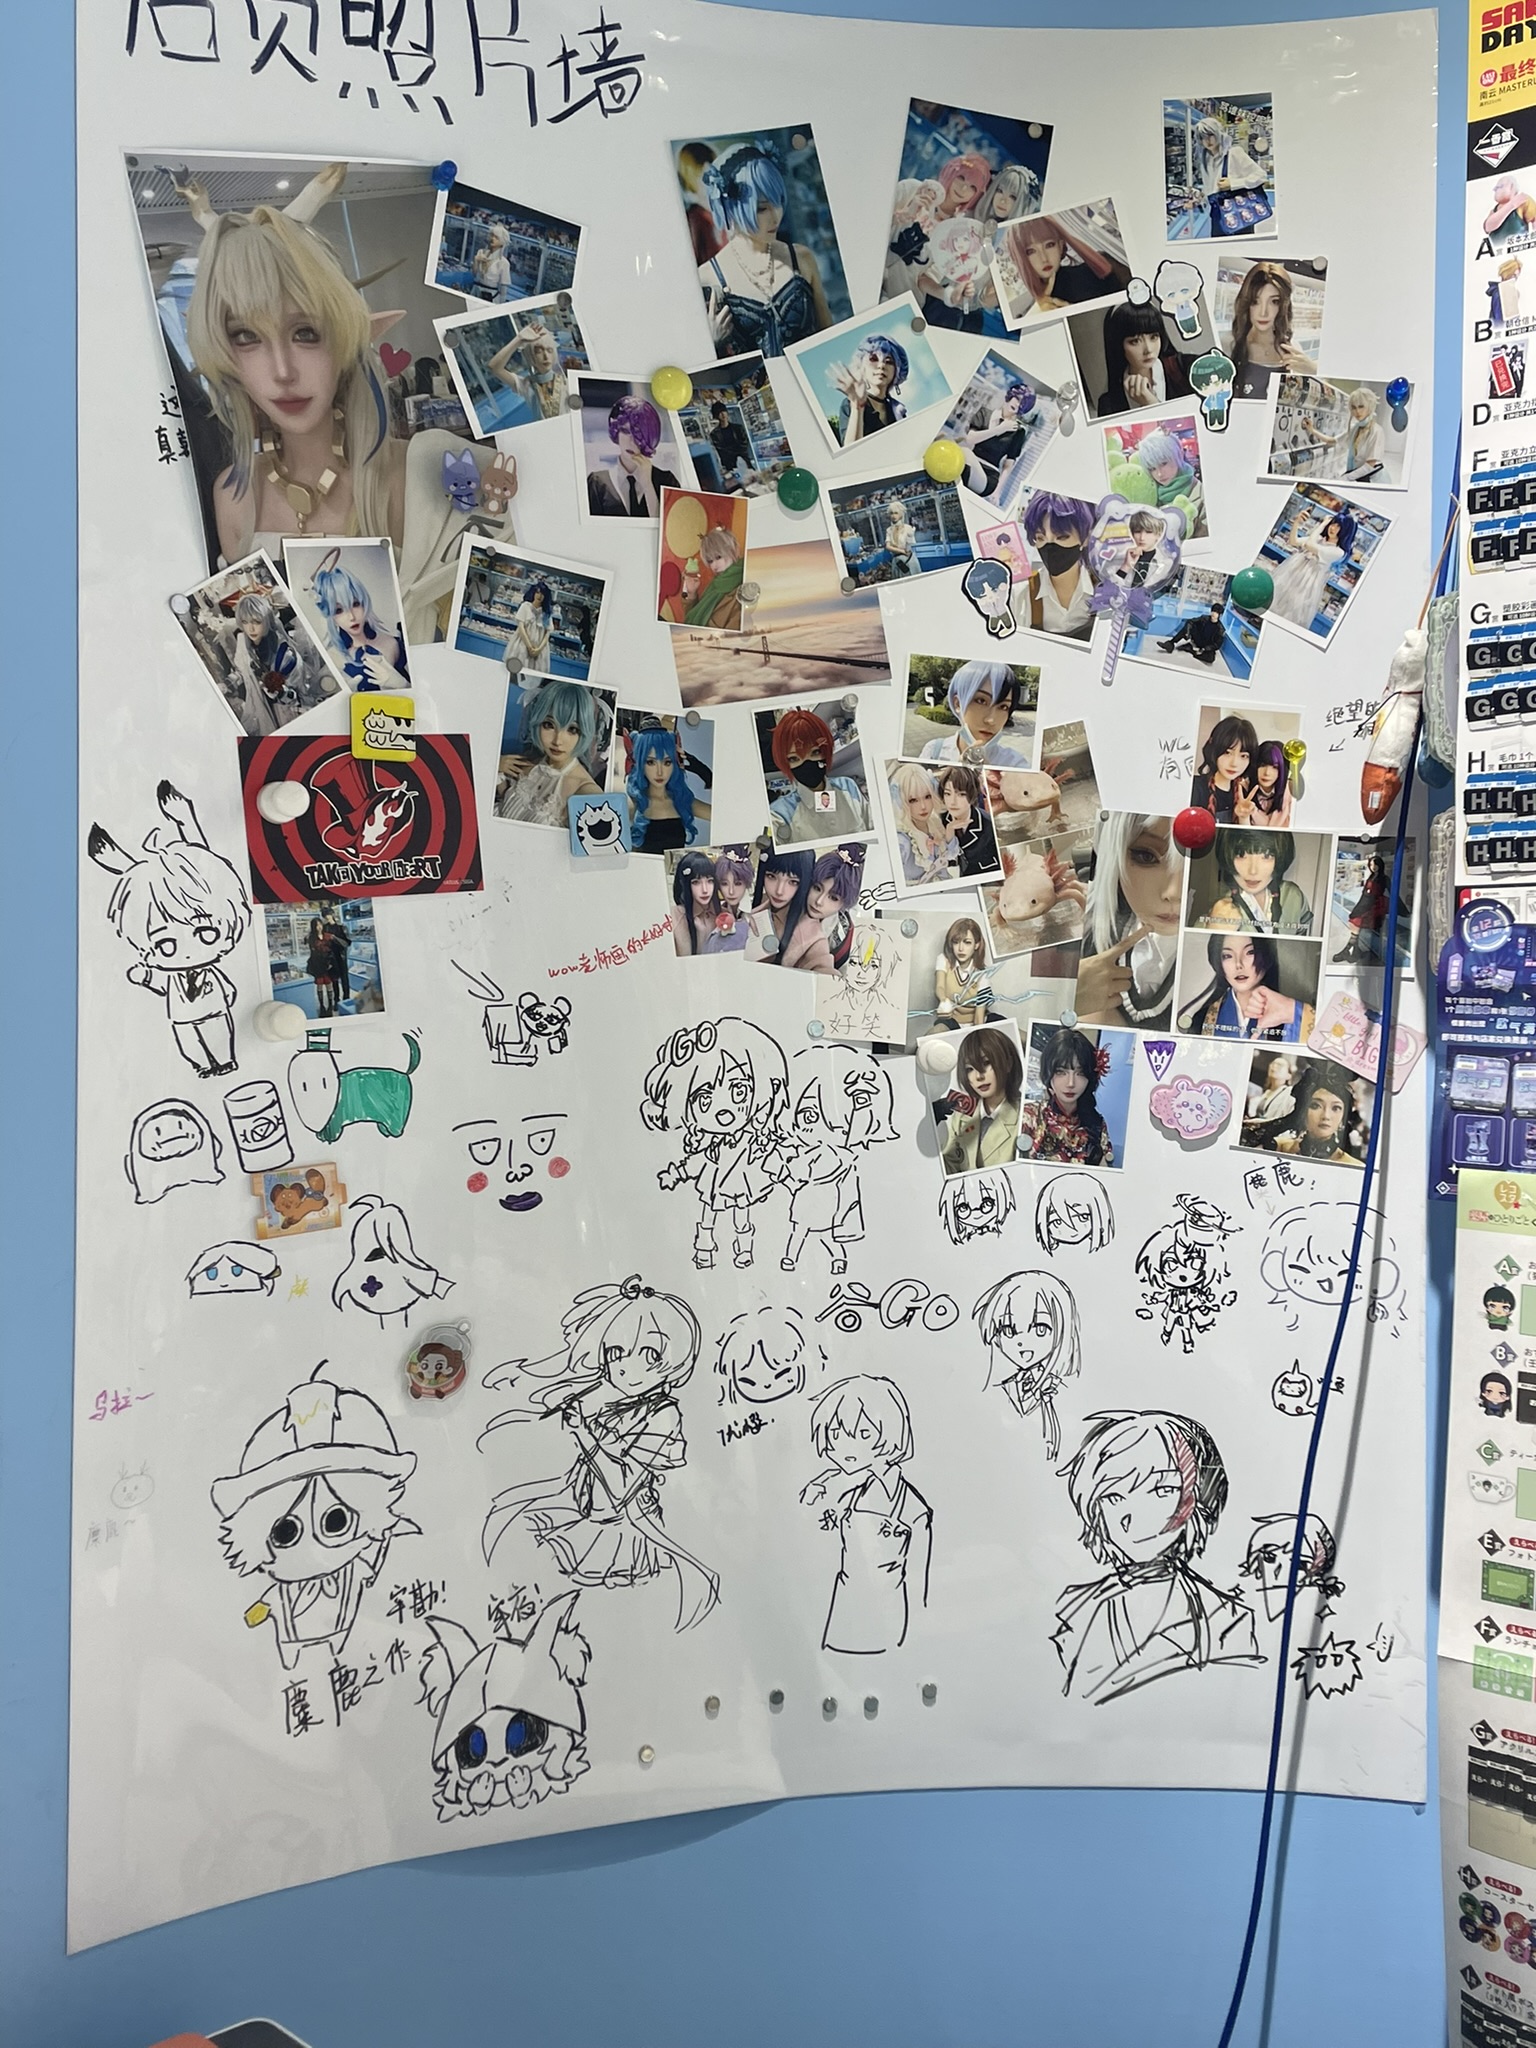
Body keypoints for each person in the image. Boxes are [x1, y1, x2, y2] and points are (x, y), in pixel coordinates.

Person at [178, 162, 408, 562]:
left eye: (306, 333)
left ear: (344, 336)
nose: (282, 372)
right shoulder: (233, 496)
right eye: (246, 337)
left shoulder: (408, 475)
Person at [480, 1276, 719, 1633]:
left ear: (673, 1362)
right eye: (615, 1353)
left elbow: (621, 1488)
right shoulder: (619, 1405)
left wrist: (583, 1432)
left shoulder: (663, 1416)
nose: (622, 1366)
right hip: (587, 1512)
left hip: (623, 1532)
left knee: (603, 1618)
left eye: (648, 1355)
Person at [1054, 1409, 1260, 1704]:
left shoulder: (1226, 1618)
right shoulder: (1073, 1608)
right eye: (1114, 1497)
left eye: (1163, 1490)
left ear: (1200, 1498)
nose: (1133, 1517)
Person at [641, 1014, 792, 1272]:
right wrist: (677, 1173)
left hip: (740, 1182)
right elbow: (697, 1162)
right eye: (704, 1099)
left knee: (741, 1217)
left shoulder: (752, 1139)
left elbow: (768, 1159)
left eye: (739, 1091)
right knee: (708, 1216)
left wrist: (786, 1173)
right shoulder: (710, 1144)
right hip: (715, 1182)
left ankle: (744, 1251)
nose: (724, 1111)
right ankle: (704, 1248)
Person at [800, 1377, 931, 1654]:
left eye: (863, 1434)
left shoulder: (913, 1509)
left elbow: (920, 1580)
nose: (846, 1447)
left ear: (890, 1434)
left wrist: (919, 1636)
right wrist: (814, 1498)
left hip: (891, 1618)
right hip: (845, 1611)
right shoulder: (848, 1494)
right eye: (836, 1435)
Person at [698, 140, 836, 359]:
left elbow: (830, 337)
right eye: (762, 208)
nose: (776, 216)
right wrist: (711, 343)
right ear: (730, 207)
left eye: (778, 201)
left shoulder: (801, 258)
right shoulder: (707, 277)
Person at [1075, 813, 1182, 1030]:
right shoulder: (1089, 927)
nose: (1173, 892)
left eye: (1196, 860)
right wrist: (1070, 997)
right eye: (1146, 857)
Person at [973, 1269, 1081, 1461]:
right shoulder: (999, 1391)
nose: (1022, 1342)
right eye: (1008, 1330)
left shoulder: (1066, 1390)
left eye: (1040, 1329)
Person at [495, 679, 603, 826]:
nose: (558, 741)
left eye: (572, 729)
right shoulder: (527, 763)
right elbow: (505, 808)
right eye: (549, 725)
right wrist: (495, 767)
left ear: (584, 732)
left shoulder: (585, 791)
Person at [1178, 933, 1317, 1041]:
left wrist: (1294, 1011)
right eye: (1227, 956)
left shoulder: (1290, 1014)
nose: (1239, 964)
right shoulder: (1202, 1019)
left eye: (1250, 952)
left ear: (1266, 955)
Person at [767, 709, 869, 843]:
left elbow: (874, 829)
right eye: (794, 758)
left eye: (815, 752)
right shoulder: (779, 814)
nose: (807, 763)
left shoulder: (848, 787)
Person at [1018, 1026, 1114, 1166]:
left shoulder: (1097, 1124)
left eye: (1080, 1073)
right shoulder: (1029, 1116)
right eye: (1061, 1072)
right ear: (1048, 1073)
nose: (1070, 1083)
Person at [309, 557, 408, 690]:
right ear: (331, 617)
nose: (351, 617)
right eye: (339, 610)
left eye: (355, 604)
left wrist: (403, 684)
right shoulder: (333, 657)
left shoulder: (391, 644)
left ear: (364, 602)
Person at [1003, 212, 1123, 318]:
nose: (1044, 258)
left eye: (1049, 245)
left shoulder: (1089, 275)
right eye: (1031, 251)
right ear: (1019, 258)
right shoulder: (1023, 309)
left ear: (1060, 246)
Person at [941, 1026, 1023, 1174]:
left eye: (986, 1063)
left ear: (1008, 1063)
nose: (978, 1076)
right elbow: (948, 1168)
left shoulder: (1026, 1117)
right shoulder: (961, 1115)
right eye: (969, 1069)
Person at [1200, 828, 1313, 935]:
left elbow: (1303, 937)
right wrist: (1212, 932)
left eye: (1266, 856)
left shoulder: (1293, 896)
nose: (1253, 871)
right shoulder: (1217, 909)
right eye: (1241, 854)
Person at [920, 661, 1032, 769]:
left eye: (1003, 707)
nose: (991, 720)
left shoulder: (1014, 764)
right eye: (981, 701)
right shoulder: (933, 752)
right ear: (958, 703)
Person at [1227, 263, 1311, 401]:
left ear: (1283, 305)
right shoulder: (1229, 346)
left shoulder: (1293, 350)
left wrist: (1313, 371)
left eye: (1274, 301)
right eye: (1255, 301)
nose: (1263, 312)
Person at [586, 396, 680, 518]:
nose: (631, 441)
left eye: (638, 434)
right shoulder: (597, 482)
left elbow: (673, 527)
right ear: (616, 432)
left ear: (650, 436)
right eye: (625, 431)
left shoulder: (667, 481)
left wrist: (648, 486)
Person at [1257, 1059, 1366, 1163]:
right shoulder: (1280, 1148)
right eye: (1315, 1106)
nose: (1326, 1116)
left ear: (1343, 1118)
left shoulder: (1352, 1166)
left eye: (1336, 1108)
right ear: (1303, 1112)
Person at [1022, 492, 1097, 640]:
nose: (1050, 547)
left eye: (1061, 537)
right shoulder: (1022, 594)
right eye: (1041, 538)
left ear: (1085, 538)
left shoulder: (1105, 590)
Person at [1266, 508, 1355, 632]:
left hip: (1308, 582)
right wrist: (1296, 522)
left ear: (1345, 531)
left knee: (1292, 610)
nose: (1333, 528)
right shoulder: (1319, 539)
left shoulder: (1338, 552)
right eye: (1333, 523)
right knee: (1276, 598)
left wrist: (1322, 525)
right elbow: (1293, 541)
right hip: (1293, 572)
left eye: (1338, 526)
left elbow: (1309, 545)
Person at [1097, 299, 1190, 415]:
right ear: (1119, 345)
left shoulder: (1185, 368)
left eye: (1154, 337)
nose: (1148, 349)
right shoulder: (1108, 404)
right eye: (1135, 341)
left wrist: (1151, 403)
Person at [229, 591, 303, 733]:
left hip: (285, 715)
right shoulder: (243, 643)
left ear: (267, 620)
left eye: (257, 622)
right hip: (261, 710)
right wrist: (229, 682)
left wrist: (280, 692)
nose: (251, 628)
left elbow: (298, 697)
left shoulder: (285, 655)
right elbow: (242, 670)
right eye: (245, 622)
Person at [751, 848, 834, 973]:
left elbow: (823, 970)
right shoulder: (763, 903)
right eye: (771, 876)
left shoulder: (814, 939)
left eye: (793, 882)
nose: (779, 891)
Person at [628, 726, 706, 856]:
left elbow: (727, 815)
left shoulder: (682, 801)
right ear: (640, 763)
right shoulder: (632, 805)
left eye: (667, 762)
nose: (660, 772)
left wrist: (702, 770)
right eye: (651, 762)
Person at [956, 379, 1040, 499]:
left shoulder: (1018, 431)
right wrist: (1000, 429)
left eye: (1023, 404)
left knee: (964, 453)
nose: (1018, 404)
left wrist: (997, 492)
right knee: (962, 452)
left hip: (988, 476)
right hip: (971, 464)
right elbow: (970, 439)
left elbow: (1008, 465)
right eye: (1017, 399)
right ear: (1011, 395)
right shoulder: (984, 413)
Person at [1193, 113, 1268, 238]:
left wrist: (1233, 183)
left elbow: (1261, 175)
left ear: (1218, 133)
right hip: (1217, 214)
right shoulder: (1205, 160)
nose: (1207, 140)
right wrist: (1199, 200)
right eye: (1203, 137)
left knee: (1242, 246)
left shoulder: (1234, 153)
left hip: (1239, 212)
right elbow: (1210, 189)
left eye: (1211, 135)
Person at [832, 334, 909, 446]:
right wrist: (857, 407)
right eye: (873, 359)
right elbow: (851, 450)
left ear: (897, 370)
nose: (881, 365)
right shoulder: (849, 404)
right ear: (861, 366)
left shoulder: (898, 411)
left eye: (888, 361)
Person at [484, 319, 569, 421]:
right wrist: (518, 339)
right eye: (539, 351)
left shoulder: (566, 382)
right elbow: (494, 367)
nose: (546, 356)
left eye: (549, 350)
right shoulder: (526, 385)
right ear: (530, 356)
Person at [888, 763, 957, 887]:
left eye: (927, 797)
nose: (923, 806)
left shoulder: (934, 822)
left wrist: (950, 832)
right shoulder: (902, 841)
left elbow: (951, 855)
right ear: (900, 801)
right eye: (913, 800)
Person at [1190, 715, 1259, 822]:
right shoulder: (1195, 788)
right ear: (1215, 750)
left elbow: (1244, 833)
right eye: (1227, 753)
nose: (1234, 763)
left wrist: (1243, 817)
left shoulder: (1244, 795)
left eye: (1243, 756)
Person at [935, 764, 997, 879]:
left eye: (961, 794)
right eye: (947, 793)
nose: (952, 802)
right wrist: (949, 835)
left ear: (972, 795)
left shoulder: (988, 824)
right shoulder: (938, 822)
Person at [932, 917, 993, 1030]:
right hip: (952, 1022)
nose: (961, 948)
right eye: (956, 942)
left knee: (1012, 1030)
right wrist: (944, 1000)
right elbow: (940, 987)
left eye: (967, 942)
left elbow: (979, 1020)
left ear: (976, 945)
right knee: (933, 1034)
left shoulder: (982, 975)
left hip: (978, 1021)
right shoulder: (943, 960)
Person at [683, 525, 745, 627]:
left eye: (718, 557)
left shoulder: (743, 587)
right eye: (710, 561)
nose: (714, 566)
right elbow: (693, 618)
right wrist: (691, 594)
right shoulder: (716, 584)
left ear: (733, 550)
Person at [1335, 853, 1389, 962]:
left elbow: (1391, 893)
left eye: (1375, 865)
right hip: (1367, 904)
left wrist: (1403, 910)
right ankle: (1353, 951)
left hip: (1373, 906)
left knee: (1355, 925)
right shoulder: (1372, 877)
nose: (1373, 867)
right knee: (1355, 927)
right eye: (1371, 865)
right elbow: (1365, 895)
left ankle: (1349, 950)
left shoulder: (1383, 878)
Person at [700, 846, 754, 955]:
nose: (731, 891)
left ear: (747, 883)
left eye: (738, 883)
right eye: (724, 884)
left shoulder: (755, 914)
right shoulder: (714, 913)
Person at [670, 849, 722, 957]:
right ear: (685, 884)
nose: (705, 890)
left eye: (710, 881)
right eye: (696, 882)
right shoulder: (673, 918)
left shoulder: (723, 914)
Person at [504, 578, 553, 678]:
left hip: (539, 649)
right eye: (538, 593)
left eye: (542, 594)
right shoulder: (525, 606)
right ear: (533, 593)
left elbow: (547, 633)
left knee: (532, 676)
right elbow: (521, 628)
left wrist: (538, 649)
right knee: (517, 672)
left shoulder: (546, 613)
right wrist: (529, 647)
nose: (539, 596)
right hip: (522, 644)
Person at [1158, 601, 1225, 666]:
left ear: (1219, 615)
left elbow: (1217, 645)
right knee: (1188, 627)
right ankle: (1170, 644)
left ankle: (1192, 650)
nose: (1213, 614)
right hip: (1198, 638)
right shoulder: (1204, 618)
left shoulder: (1220, 629)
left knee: (1210, 659)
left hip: (1206, 646)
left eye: (1216, 612)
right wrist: (1187, 632)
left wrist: (1204, 649)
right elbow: (1190, 621)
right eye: (1213, 611)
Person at [707, 400, 756, 486]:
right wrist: (735, 450)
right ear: (716, 416)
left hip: (745, 463)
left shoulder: (738, 428)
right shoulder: (714, 434)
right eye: (719, 413)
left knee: (754, 483)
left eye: (724, 411)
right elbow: (721, 451)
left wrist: (733, 451)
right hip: (729, 467)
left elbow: (744, 445)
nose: (723, 414)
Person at [1247, 741, 1293, 826]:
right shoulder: (1242, 789)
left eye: (1275, 767)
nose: (1267, 773)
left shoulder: (1291, 794)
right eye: (1262, 765)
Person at [1245, 1053, 1296, 1124]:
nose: (1274, 1066)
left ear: (1288, 1075)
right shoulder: (1264, 1094)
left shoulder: (1289, 1093)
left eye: (1280, 1065)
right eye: (1272, 1064)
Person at [306, 916, 338, 1018]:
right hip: (318, 965)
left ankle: (330, 1006)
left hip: (328, 964)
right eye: (316, 925)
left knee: (329, 984)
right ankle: (322, 1006)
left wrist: (331, 962)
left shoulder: (327, 936)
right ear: (313, 927)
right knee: (319, 985)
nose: (319, 927)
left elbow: (333, 949)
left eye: (320, 924)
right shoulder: (311, 938)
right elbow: (313, 952)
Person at [885, 494, 921, 575]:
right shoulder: (889, 530)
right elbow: (888, 546)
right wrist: (901, 551)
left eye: (896, 513)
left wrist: (905, 551)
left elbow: (910, 545)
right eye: (891, 513)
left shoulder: (907, 528)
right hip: (897, 560)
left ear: (901, 514)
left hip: (909, 559)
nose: (893, 516)